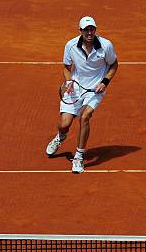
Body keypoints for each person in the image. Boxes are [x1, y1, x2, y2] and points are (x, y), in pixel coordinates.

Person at [45, 16, 118, 173]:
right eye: (86, 30)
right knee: (65, 124)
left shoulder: (106, 46)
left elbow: (114, 64)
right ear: (80, 31)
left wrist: (104, 82)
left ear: (95, 30)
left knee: (85, 117)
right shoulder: (71, 45)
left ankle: (79, 156)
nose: (89, 32)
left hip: (95, 89)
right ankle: (60, 137)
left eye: (92, 29)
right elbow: (66, 67)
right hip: (75, 87)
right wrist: (69, 82)